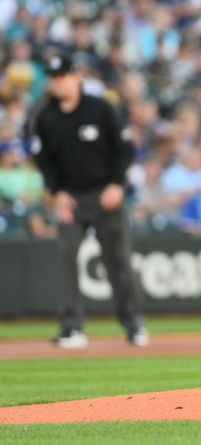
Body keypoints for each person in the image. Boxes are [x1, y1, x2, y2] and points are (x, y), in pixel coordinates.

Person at [28, 53, 148, 349]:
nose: (58, 82)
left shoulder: (100, 108)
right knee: (68, 257)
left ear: (75, 76)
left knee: (118, 261)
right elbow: (45, 162)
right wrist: (58, 193)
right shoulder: (46, 117)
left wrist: (117, 185)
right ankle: (72, 328)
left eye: (62, 76)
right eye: (53, 77)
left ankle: (134, 326)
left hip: (106, 193)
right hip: (72, 197)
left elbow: (124, 149)